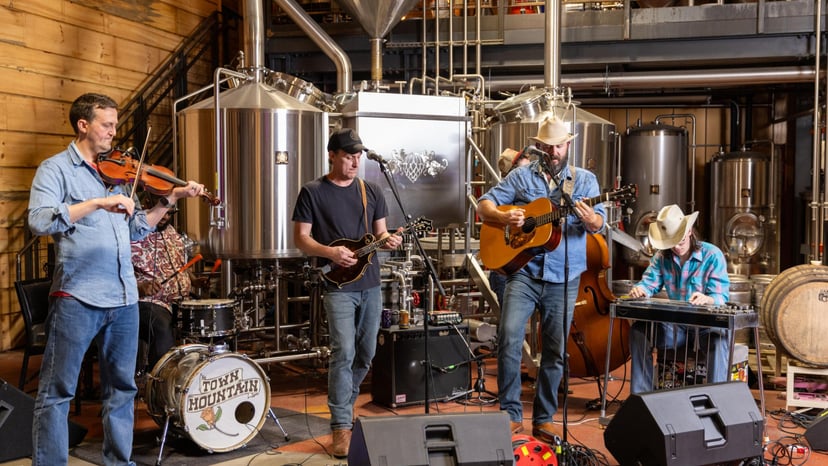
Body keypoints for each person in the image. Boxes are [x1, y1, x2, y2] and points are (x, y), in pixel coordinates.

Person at [27, 92, 204, 465]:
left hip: (124, 300)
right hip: (78, 296)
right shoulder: (55, 169)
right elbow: (39, 219)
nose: (113, 132)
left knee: (122, 390)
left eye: (115, 125)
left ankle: (118, 462)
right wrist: (96, 202)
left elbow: (136, 229)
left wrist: (168, 200)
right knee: (57, 392)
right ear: (83, 125)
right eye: (107, 125)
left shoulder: (118, 175)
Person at [477, 116, 606, 443]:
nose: (553, 151)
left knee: (555, 350)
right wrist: (504, 215)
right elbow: (484, 205)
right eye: (548, 146)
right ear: (540, 146)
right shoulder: (521, 176)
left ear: (568, 145)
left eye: (559, 145)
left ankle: (545, 417)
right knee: (508, 338)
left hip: (565, 277)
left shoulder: (585, 181)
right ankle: (510, 413)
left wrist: (592, 220)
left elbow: (599, 223)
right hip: (524, 273)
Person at [291, 128, 402, 459]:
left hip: (370, 284)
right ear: (332, 155)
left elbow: (381, 234)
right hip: (338, 286)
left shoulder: (372, 190)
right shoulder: (312, 192)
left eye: (358, 157)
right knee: (344, 351)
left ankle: (345, 401)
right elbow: (301, 237)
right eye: (349, 156)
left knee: (366, 353)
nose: (355, 162)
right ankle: (341, 423)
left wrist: (391, 240)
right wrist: (329, 252)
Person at [627, 204, 730, 394]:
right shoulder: (661, 257)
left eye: (680, 241)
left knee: (719, 336)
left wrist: (707, 299)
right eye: (670, 243)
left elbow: (720, 296)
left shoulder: (712, 255)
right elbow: (649, 283)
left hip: (705, 325)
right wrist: (640, 290)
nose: (675, 247)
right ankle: (641, 398)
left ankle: (717, 400)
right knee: (639, 330)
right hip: (675, 327)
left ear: (689, 231)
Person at [131, 204, 195, 374]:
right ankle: (161, 384)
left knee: (212, 318)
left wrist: (194, 280)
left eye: (169, 213)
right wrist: (139, 287)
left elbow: (180, 266)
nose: (165, 217)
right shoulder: (132, 233)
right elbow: (115, 272)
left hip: (180, 301)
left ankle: (200, 378)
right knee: (160, 326)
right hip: (145, 301)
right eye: (161, 212)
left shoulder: (172, 233)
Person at [488, 147, 532, 306]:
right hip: (505, 270)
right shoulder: (501, 203)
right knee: (508, 325)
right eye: (525, 168)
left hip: (525, 268)